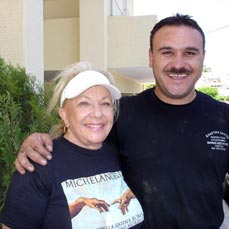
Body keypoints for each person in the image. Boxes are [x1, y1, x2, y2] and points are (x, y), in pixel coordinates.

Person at [13, 14, 229, 228]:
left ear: (202, 57)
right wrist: (38, 142)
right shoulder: (121, 113)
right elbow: (79, 143)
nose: (178, 64)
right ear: (151, 57)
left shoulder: (226, 118)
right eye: (167, 52)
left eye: (190, 52)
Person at [1, 62, 144, 229]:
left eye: (105, 103)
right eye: (84, 103)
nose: (97, 113)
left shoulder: (116, 154)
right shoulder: (39, 164)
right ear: (64, 115)